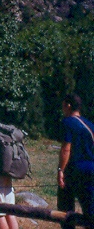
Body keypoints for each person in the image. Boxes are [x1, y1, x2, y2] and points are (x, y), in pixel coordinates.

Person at [57, 94, 94, 229]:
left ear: (68, 105)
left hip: (73, 170)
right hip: (90, 169)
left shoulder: (67, 122)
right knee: (90, 210)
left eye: (63, 106)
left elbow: (66, 149)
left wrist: (60, 170)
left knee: (65, 210)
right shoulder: (90, 124)